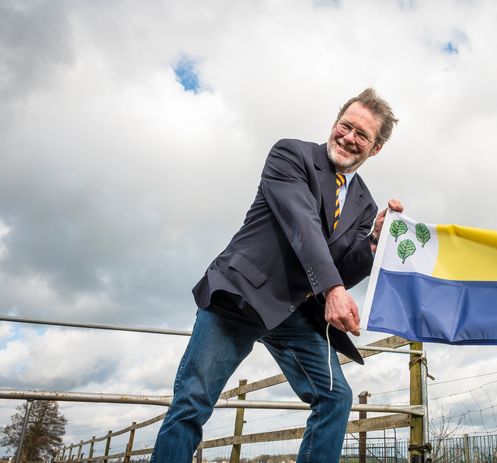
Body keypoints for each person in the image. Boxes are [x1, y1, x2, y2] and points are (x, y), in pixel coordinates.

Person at [150, 88, 403, 462]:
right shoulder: (291, 154)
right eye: (345, 126)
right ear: (334, 124)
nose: (349, 138)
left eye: (362, 135)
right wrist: (332, 288)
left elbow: (343, 267)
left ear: (375, 148)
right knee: (193, 402)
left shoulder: (364, 202)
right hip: (240, 296)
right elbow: (301, 224)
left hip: (295, 312)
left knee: (335, 397)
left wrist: (373, 244)